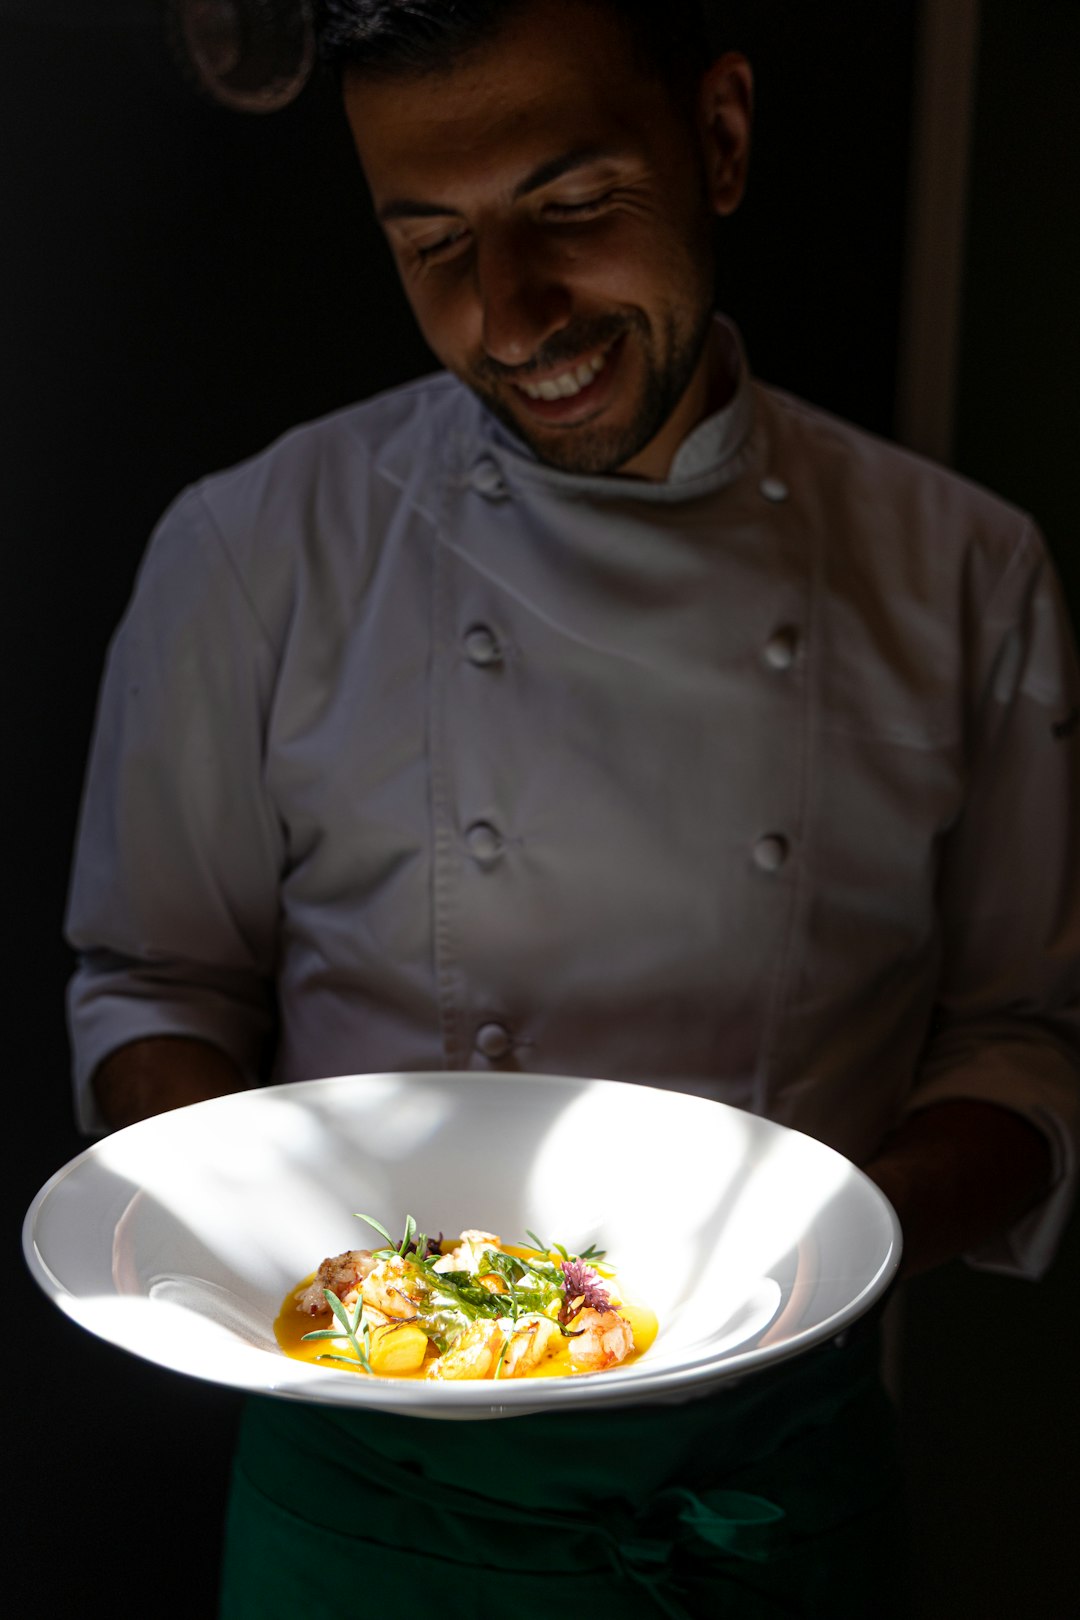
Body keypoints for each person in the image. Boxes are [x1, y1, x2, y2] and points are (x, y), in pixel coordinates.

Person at [65, 1, 1080, 1614]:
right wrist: (322, 1256)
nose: (509, 314)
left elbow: (1020, 1050)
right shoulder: (252, 549)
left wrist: (795, 1249)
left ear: (722, 140)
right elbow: (151, 992)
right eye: (432, 243)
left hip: (770, 1508)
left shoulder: (963, 573)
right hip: (369, 1521)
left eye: (572, 205)